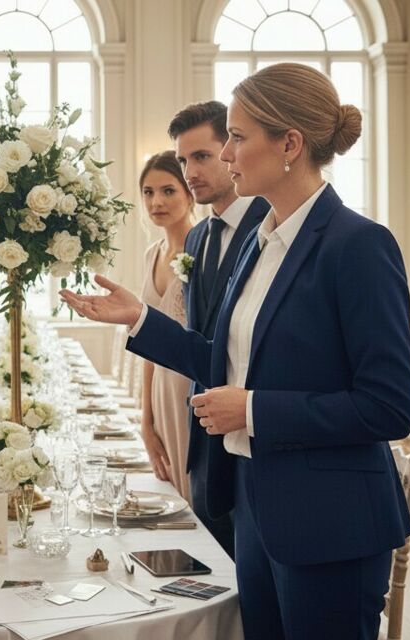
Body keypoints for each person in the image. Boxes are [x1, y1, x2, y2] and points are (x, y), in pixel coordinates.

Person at [62, 62, 410, 640]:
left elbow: (388, 406)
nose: (225, 154)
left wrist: (251, 410)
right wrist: (141, 318)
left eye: (238, 137)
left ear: (290, 145)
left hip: (330, 524)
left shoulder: (359, 246)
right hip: (254, 505)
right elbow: (222, 360)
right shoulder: (259, 242)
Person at [168, 100, 268, 558]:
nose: (191, 171)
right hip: (203, 443)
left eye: (202, 156)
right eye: (183, 160)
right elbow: (202, 342)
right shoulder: (195, 237)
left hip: (254, 446)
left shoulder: (268, 227)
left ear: (229, 150)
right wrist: (139, 320)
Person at [137, 151, 196, 499]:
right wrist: (146, 419)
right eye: (148, 192)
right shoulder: (151, 254)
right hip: (160, 393)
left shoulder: (203, 249)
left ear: (189, 194)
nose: (156, 201)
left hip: (190, 393)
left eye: (168, 190)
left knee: (192, 498)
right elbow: (147, 343)